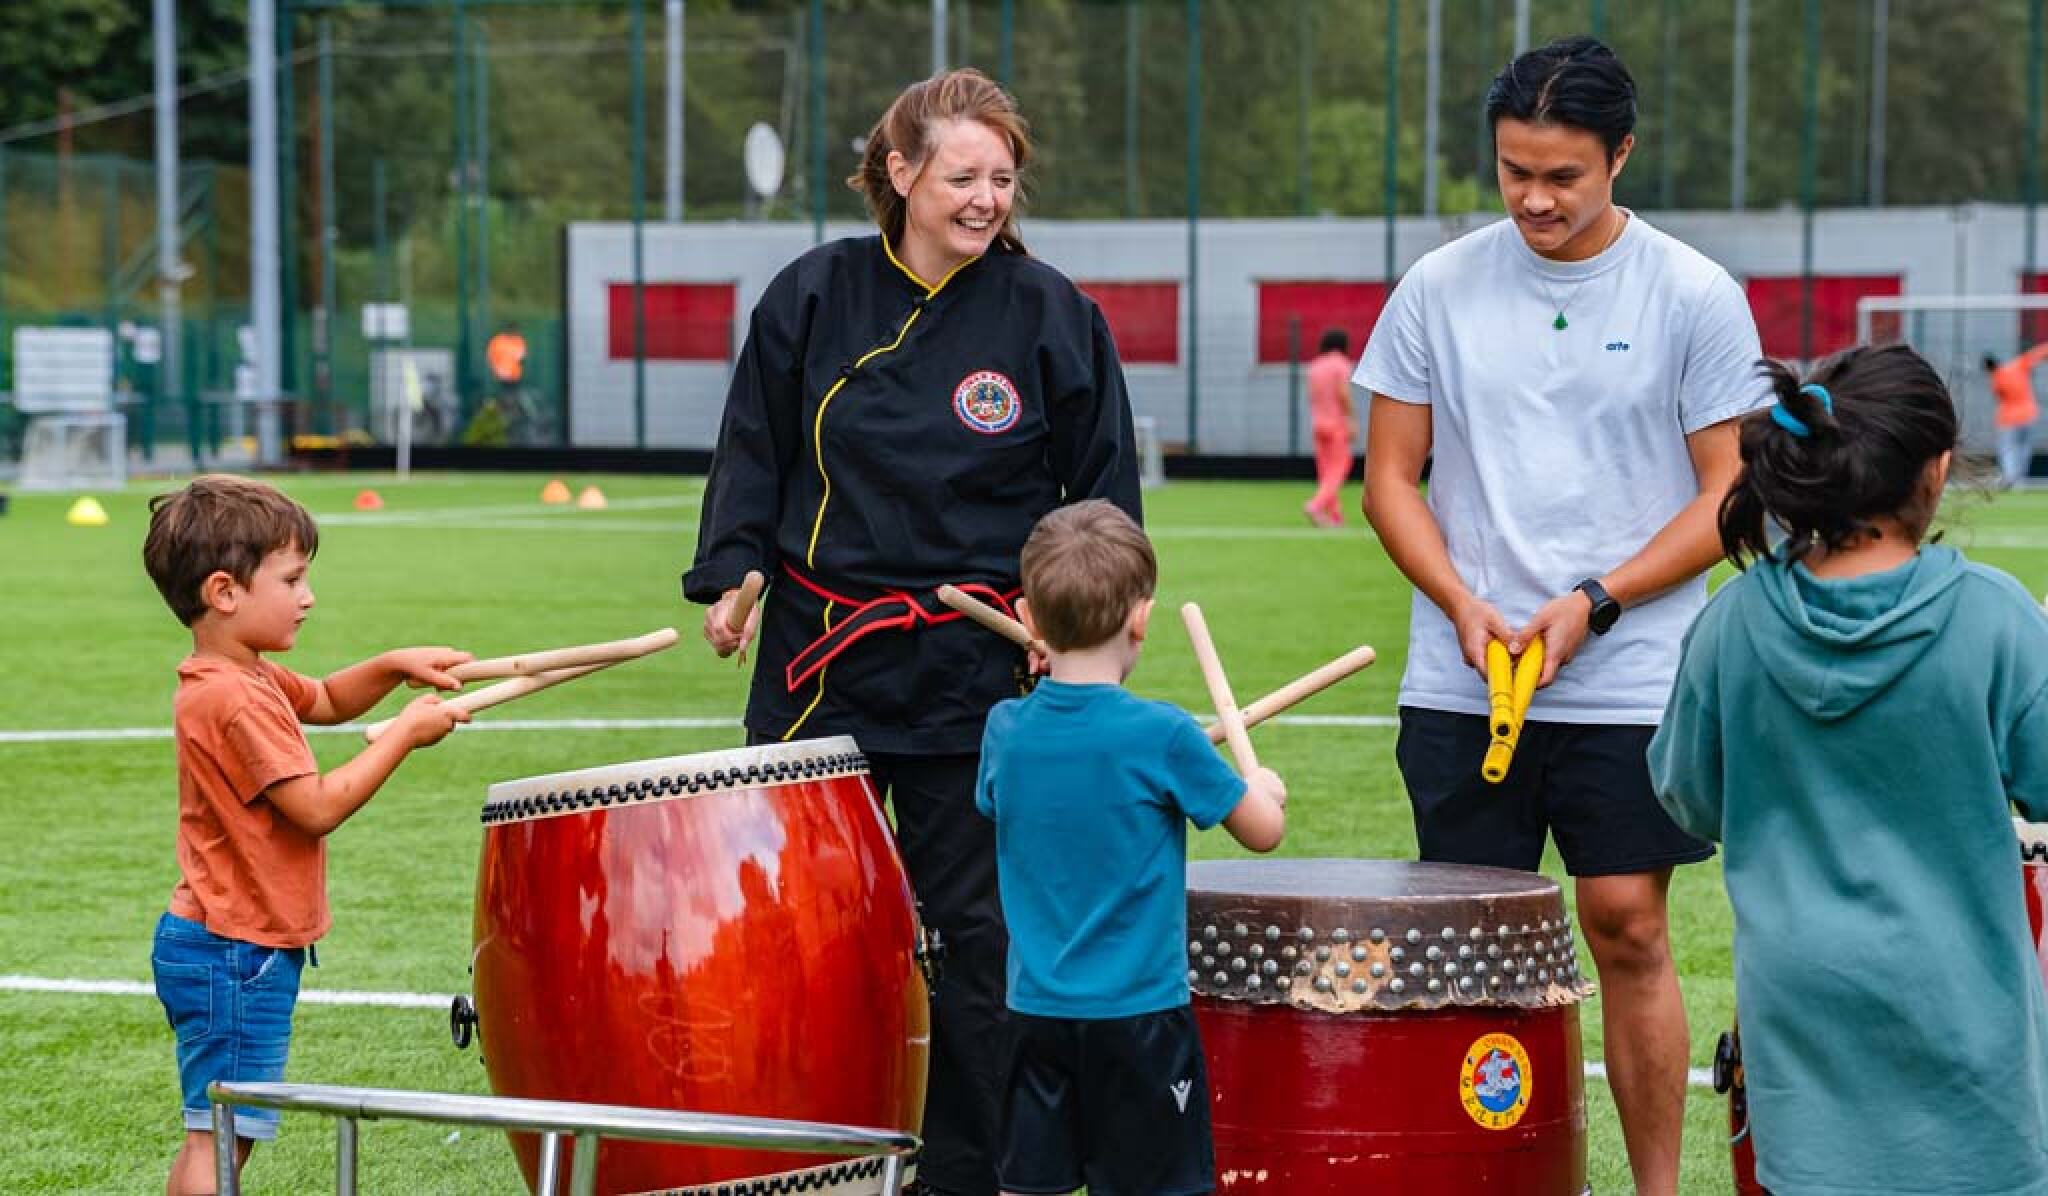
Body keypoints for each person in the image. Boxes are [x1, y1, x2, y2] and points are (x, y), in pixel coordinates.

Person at [682, 69, 1141, 1196]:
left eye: (1003, 178)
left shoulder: (1050, 315)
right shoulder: (813, 294)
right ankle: (810, 1156)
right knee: (796, 924)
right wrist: (734, 574)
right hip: (819, 662)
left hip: (976, 670)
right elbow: (753, 449)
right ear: (899, 173)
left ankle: (964, 1172)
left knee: (982, 937)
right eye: (963, 176)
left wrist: (1072, 616)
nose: (987, 199)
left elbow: (1099, 496)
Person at [1354, 36, 1765, 1196]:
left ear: (1619, 155)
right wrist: (1459, 601)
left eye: (1562, 175)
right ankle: (1490, 1181)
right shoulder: (1436, 286)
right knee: (1474, 948)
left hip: (1629, 677)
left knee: (1625, 921)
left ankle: (1651, 1188)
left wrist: (1597, 598)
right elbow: (1388, 478)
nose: (1533, 198)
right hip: (1463, 675)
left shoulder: (1691, 292)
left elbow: (1727, 492)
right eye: (1512, 171)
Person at [1649, 344, 2048, 1195]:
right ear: (1937, 470)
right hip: (1966, 1002)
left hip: (1798, 1006)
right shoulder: (1994, 618)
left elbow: (1688, 793)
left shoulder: (1732, 623)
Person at [140, 474, 471, 1196]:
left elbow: (323, 698)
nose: (308, 596)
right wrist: (406, 735)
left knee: (219, 1132)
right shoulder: (233, 698)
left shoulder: (243, 674)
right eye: (292, 580)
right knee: (219, 1136)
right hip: (235, 950)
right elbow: (316, 807)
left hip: (230, 943)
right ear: (224, 592)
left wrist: (392, 667)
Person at [973, 500, 1287, 1196]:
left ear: (1027, 618)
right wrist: (1262, 786)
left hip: (1035, 1015)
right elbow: (1263, 831)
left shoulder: (1005, 731)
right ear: (1141, 619)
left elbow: (1000, 800)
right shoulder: (1164, 736)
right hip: (1139, 1019)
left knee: (1031, 1186)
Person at [1303, 328, 1358, 528]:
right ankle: (1315, 505)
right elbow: (1343, 394)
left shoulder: (1315, 366)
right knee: (1340, 468)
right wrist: (1351, 419)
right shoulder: (1341, 364)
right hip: (1336, 424)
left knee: (1327, 473)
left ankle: (1334, 516)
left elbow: (1312, 396)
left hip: (1318, 424)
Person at [1985, 342, 2048, 488]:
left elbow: (1998, 396)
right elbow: (2037, 353)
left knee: (2007, 448)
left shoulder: (1996, 378)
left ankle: (2010, 477)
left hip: (2008, 419)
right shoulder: (2016, 366)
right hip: (2028, 415)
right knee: (2024, 448)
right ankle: (2019, 478)